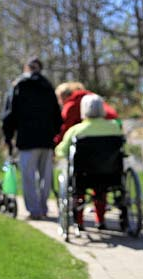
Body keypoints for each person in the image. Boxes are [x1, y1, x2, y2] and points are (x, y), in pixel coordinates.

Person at [1, 57, 62, 220]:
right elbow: (57, 115)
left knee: (28, 177)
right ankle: (43, 207)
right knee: (45, 177)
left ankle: (35, 211)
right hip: (47, 140)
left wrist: (8, 137)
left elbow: (9, 114)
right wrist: (54, 135)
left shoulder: (19, 85)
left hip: (27, 140)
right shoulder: (48, 86)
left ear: (26, 68)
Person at [55, 94, 123, 230]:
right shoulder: (115, 127)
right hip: (110, 174)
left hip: (83, 176)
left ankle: (79, 221)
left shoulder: (76, 130)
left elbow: (61, 151)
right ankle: (100, 220)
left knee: (78, 188)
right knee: (101, 188)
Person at [54, 82, 119, 145]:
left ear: (63, 96)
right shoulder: (92, 97)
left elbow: (65, 128)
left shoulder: (71, 105)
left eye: (59, 98)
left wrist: (55, 142)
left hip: (97, 133)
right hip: (113, 129)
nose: (59, 102)